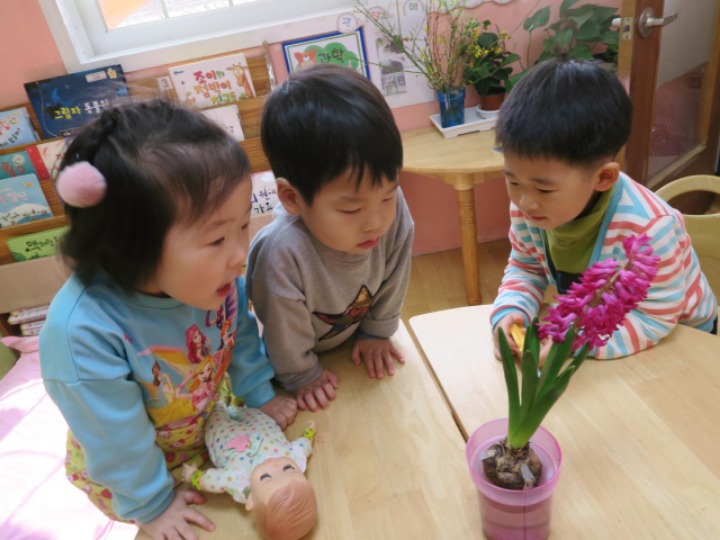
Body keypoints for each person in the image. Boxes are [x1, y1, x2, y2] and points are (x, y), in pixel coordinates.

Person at [39, 99, 297, 540]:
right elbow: (116, 440)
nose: (240, 253)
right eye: (216, 239)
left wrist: (258, 393)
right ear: (128, 246)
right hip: (140, 471)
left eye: (242, 225)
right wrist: (153, 506)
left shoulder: (214, 277)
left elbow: (239, 334)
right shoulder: (81, 334)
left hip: (207, 422)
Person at [491, 57, 718, 362]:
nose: (525, 201)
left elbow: (654, 318)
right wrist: (512, 309)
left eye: (544, 189)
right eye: (513, 181)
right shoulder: (529, 208)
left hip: (683, 336)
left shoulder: (650, 228)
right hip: (608, 329)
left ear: (604, 178)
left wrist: (576, 342)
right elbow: (526, 266)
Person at [246, 64, 414, 411]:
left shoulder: (390, 208)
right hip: (298, 359)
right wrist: (301, 374)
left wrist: (377, 331)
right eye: (351, 209)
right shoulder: (281, 253)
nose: (376, 222)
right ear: (292, 198)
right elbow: (281, 329)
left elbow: (396, 272)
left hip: (353, 344)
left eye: (386, 195)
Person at [183, 401, 318, 540]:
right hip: (260, 425)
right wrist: (309, 432)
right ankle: (234, 408)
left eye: (265, 477)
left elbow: (212, 481)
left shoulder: (240, 481)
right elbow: (303, 445)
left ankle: (218, 406)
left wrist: (193, 476)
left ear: (252, 499)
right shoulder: (294, 457)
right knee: (254, 412)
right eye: (287, 468)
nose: (274, 464)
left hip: (227, 438)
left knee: (214, 419)